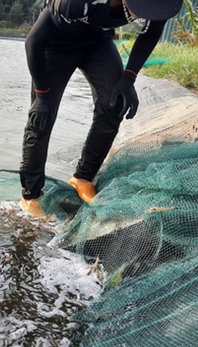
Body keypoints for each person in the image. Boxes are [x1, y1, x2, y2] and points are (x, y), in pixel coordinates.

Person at [20, 0, 183, 216]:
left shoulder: (161, 4)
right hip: (55, 42)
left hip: (97, 42)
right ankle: (30, 195)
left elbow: (151, 33)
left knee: (114, 103)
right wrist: (42, 94)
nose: (146, 14)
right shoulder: (74, 3)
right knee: (42, 116)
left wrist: (129, 77)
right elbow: (33, 41)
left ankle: (83, 177)